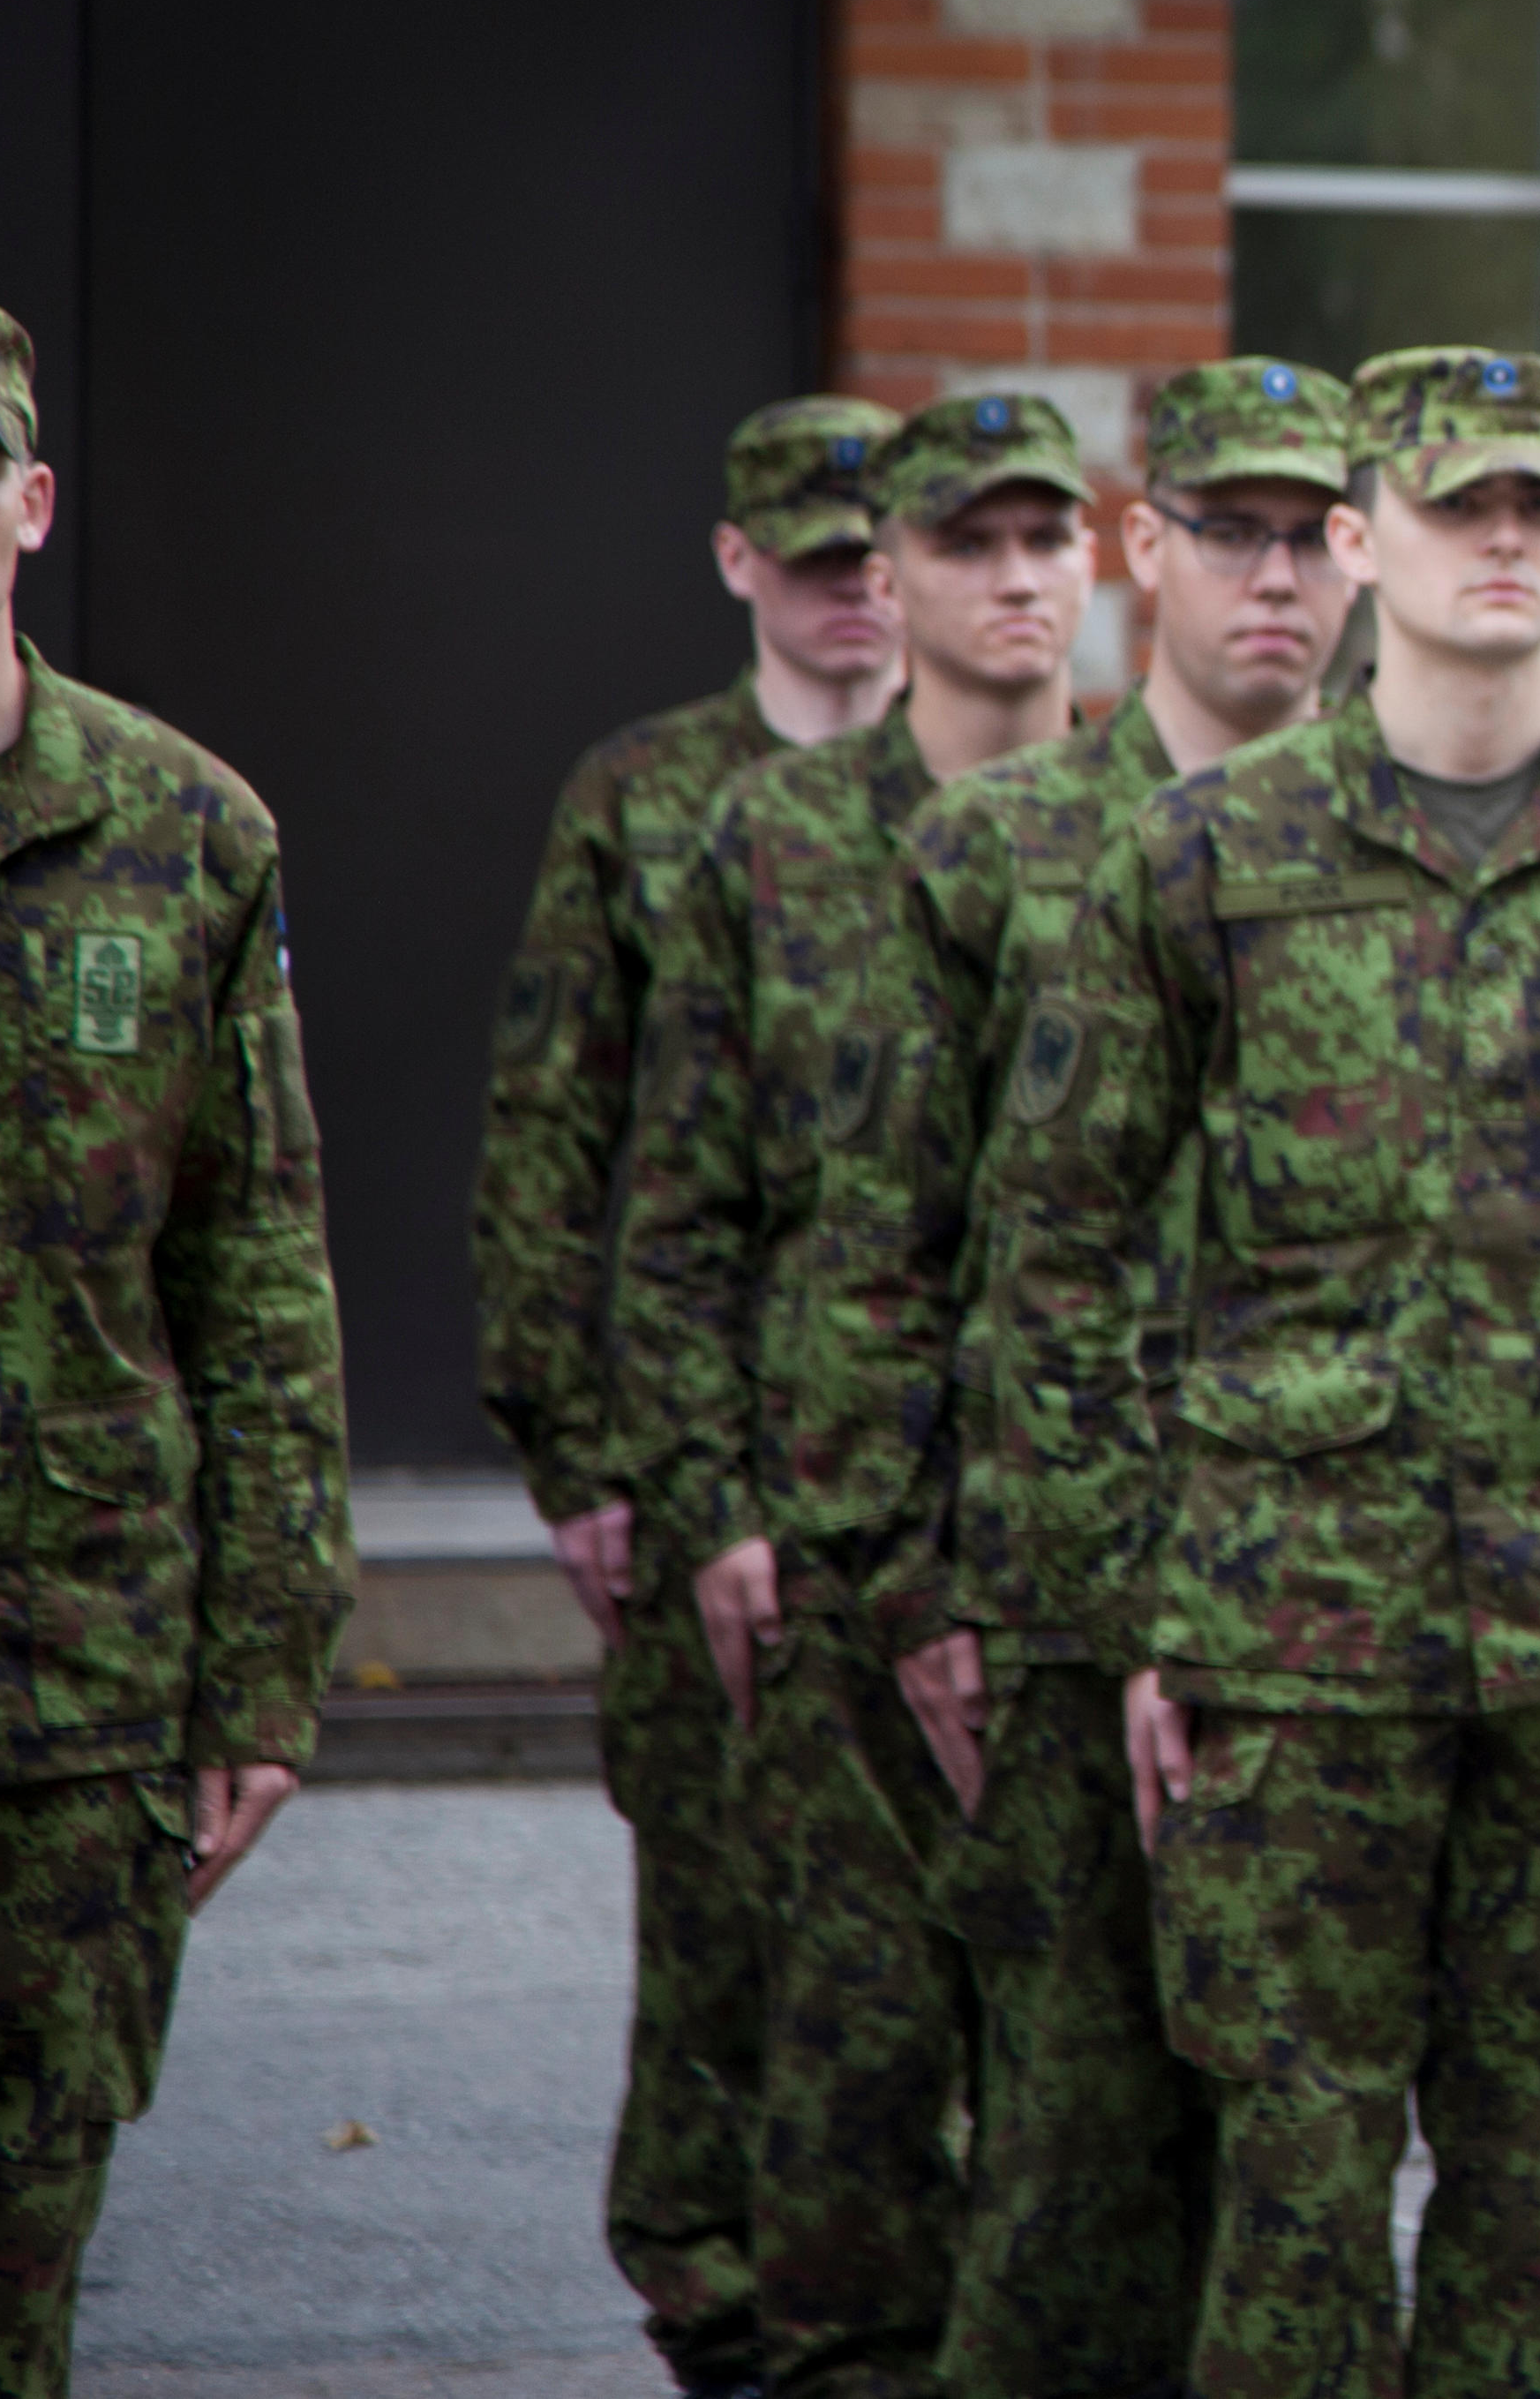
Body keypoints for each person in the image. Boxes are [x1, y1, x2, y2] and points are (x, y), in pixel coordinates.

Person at [969, 346, 1540, 2397]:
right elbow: (1064, 1237)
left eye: (1533, 509)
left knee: (1537, 2220)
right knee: (1288, 2213)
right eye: (1454, 508)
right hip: (1289, 1645)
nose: (1499, 543)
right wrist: (1138, 1601)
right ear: (1363, 542)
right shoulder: (1206, 856)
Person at [869, 359, 1356, 2396]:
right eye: (1229, 530)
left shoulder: (1395, 850)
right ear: (1142, 548)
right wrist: (925, 1575)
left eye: (1318, 533)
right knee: (1068, 2169)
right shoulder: (998, 851)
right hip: (1067, 1610)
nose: (1279, 577)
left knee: (1314, 2178)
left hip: (1337, 1608)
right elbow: (891, 1246)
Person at [612, 390, 1097, 2399]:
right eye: (964, 548)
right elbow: (686, 1203)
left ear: (1092, 563)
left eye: (1040, 543)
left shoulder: (1170, 828)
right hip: (836, 1537)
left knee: (1085, 2101)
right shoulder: (773, 838)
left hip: (1089, 1556)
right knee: (854, 2072)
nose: (1009, 583)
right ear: (884, 582)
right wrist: (712, 1502)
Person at [473, 389, 903, 2399]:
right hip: (688, 1437)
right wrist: (576, 1451)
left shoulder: (995, 785)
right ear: (741, 566)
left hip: (891, 1471)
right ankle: (712, 2290)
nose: (860, 593)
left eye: (878, 556)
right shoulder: (644, 798)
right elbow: (560, 1136)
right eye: (819, 562)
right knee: (721, 1906)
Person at [0, 308, 349, 2391]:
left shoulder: (183, 831)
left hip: (77, 1675)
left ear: (30, 507)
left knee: (28, 2246)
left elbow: (261, 1268)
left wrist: (265, 1664)